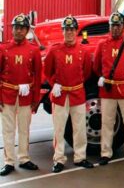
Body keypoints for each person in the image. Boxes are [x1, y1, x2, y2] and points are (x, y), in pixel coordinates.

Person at [44, 16, 94, 173]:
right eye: (66, 29)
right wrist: (55, 84)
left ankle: (80, 157)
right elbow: (47, 71)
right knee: (59, 129)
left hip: (77, 94)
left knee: (79, 128)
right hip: (60, 95)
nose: (69, 32)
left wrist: (75, 85)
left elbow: (86, 73)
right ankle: (59, 159)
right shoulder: (54, 49)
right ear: (63, 31)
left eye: (72, 29)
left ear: (76, 31)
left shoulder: (83, 51)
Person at [94, 12, 124, 166]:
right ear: (109, 27)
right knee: (107, 122)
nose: (115, 28)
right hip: (109, 90)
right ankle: (106, 152)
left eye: (118, 25)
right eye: (112, 26)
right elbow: (96, 66)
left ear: (122, 27)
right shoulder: (102, 44)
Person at [0, 14, 41, 176]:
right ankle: (9, 161)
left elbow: (38, 76)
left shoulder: (34, 50)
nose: (18, 31)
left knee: (24, 128)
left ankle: (24, 158)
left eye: (21, 28)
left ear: (26, 30)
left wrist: (36, 98)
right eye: (15, 28)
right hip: (7, 94)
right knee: (8, 129)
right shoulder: (3, 49)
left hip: (26, 96)